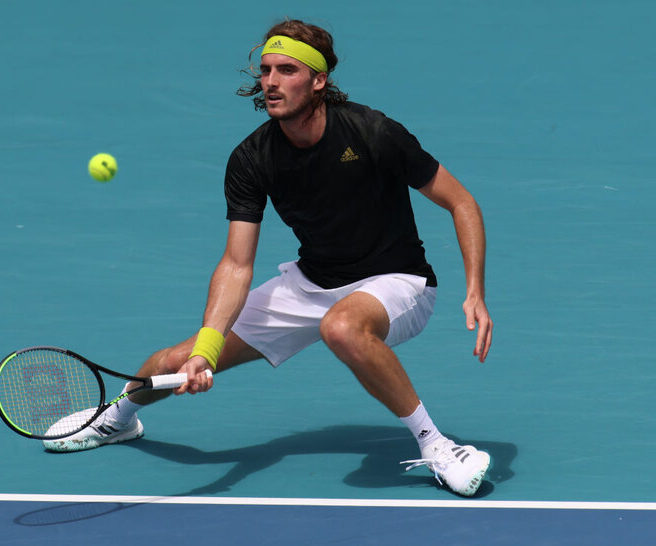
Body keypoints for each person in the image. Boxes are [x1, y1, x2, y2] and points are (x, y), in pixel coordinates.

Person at [44, 19, 494, 497]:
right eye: (265, 70)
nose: (272, 82)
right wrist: (206, 352)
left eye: (287, 70)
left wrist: (475, 290)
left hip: (397, 281)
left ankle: (437, 446)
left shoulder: (373, 133)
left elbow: (460, 201)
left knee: (341, 326)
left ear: (319, 80)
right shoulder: (252, 158)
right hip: (309, 284)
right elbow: (237, 264)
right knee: (177, 357)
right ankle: (116, 419)